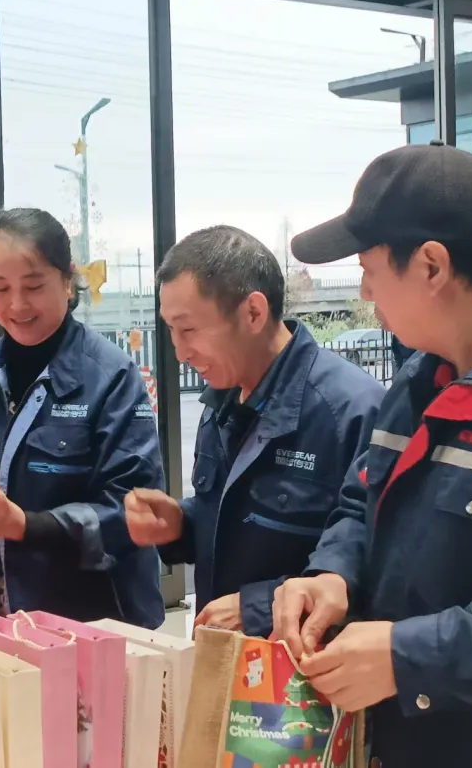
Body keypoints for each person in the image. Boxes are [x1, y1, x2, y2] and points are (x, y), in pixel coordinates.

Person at [274, 141, 472, 766]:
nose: (366, 293)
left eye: (370, 271)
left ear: (431, 266)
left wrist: (407, 658)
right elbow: (363, 500)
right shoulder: (419, 377)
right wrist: (332, 574)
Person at [0, 207, 166, 635]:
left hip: (84, 626)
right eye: (0, 288)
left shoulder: (111, 377)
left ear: (68, 280)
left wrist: (23, 525)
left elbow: (133, 513)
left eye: (34, 286)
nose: (17, 304)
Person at [124, 226, 384, 637]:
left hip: (305, 665)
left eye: (188, 329)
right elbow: (236, 518)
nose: (180, 352)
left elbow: (376, 566)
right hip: (225, 656)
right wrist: (181, 525)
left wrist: (258, 608)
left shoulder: (353, 411)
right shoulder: (221, 401)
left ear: (253, 313)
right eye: (170, 330)